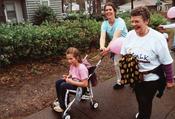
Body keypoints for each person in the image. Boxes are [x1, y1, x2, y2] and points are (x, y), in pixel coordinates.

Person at [120, 6, 174, 119]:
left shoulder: (157, 38)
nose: (133, 24)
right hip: (135, 76)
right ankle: (142, 112)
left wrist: (169, 80)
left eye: (137, 21)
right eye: (132, 21)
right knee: (140, 98)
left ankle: (143, 115)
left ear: (146, 21)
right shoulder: (130, 35)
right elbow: (123, 54)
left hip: (152, 78)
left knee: (146, 101)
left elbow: (167, 61)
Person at [100, 2, 128, 90]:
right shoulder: (104, 23)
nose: (108, 11)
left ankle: (134, 79)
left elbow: (115, 37)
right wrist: (102, 47)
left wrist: (107, 49)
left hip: (127, 45)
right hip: (116, 47)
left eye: (110, 9)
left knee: (129, 63)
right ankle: (120, 82)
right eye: (106, 10)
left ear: (114, 11)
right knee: (117, 64)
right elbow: (102, 37)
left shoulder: (120, 22)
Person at [53, 47, 89, 112]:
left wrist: (71, 82)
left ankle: (64, 107)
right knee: (58, 82)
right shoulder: (72, 65)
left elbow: (85, 84)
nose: (69, 61)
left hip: (80, 88)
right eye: (68, 59)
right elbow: (72, 74)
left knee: (63, 86)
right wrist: (67, 76)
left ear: (77, 57)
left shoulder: (82, 68)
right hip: (74, 82)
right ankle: (61, 101)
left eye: (71, 59)